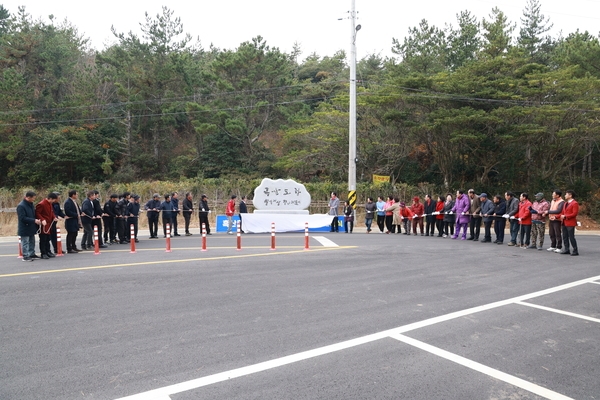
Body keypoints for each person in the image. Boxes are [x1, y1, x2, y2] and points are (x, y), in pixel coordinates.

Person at [17, 191, 42, 261]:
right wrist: (33, 220)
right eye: (33, 198)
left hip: (31, 226)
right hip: (25, 227)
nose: (34, 199)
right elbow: (22, 218)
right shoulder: (21, 206)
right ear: (28, 197)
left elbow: (33, 214)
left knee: (32, 241)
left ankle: (32, 254)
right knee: (25, 242)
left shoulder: (31, 204)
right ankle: (26, 255)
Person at [35, 192, 58, 259]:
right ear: (50, 198)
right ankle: (43, 253)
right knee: (43, 239)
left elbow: (51, 212)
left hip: (49, 224)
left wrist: (54, 217)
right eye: (53, 200)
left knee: (48, 238)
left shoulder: (50, 204)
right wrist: (42, 219)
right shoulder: (41, 204)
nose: (54, 201)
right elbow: (37, 213)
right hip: (44, 225)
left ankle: (48, 251)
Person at [560, 190, 579, 256]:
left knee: (571, 237)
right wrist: (556, 217)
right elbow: (562, 212)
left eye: (566, 194)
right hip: (564, 222)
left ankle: (575, 250)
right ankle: (566, 249)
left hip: (570, 222)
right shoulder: (565, 203)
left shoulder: (574, 203)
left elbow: (574, 213)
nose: (565, 195)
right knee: (564, 236)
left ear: (570, 195)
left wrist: (565, 216)